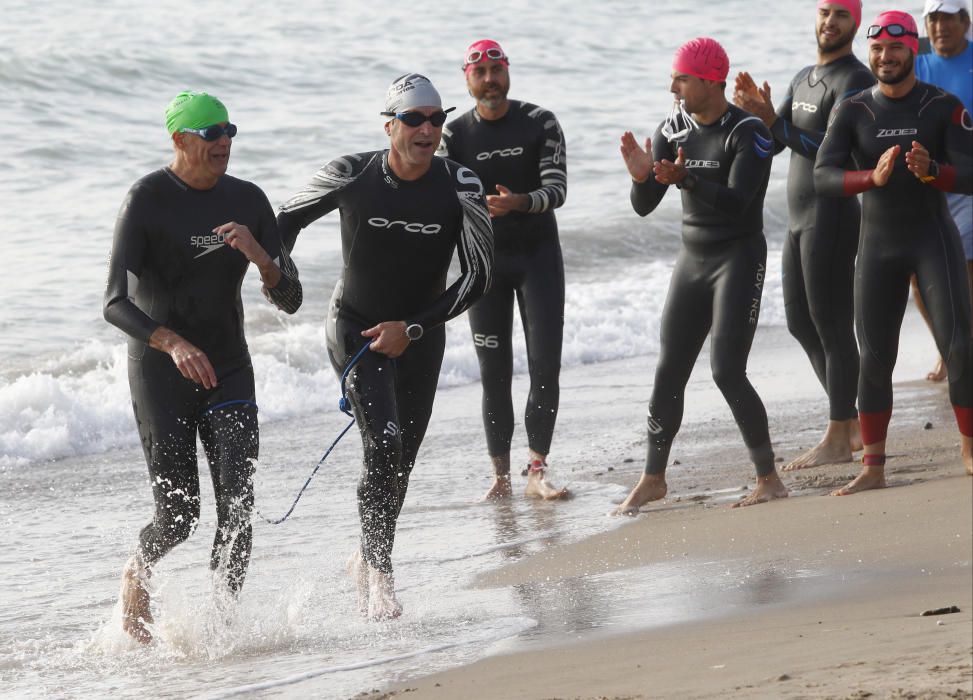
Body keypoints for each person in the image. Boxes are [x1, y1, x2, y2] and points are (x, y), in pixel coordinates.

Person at [277, 74, 494, 620]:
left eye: (437, 119)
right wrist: (281, 279)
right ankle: (379, 571)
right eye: (415, 119)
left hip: (420, 334)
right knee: (385, 444)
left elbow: (478, 276)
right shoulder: (351, 173)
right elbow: (282, 222)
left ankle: (367, 558)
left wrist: (413, 329)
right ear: (390, 125)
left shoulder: (462, 183)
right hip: (354, 329)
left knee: (402, 462)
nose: (428, 130)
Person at [104, 91, 303, 644]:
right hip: (161, 369)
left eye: (229, 131)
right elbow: (113, 302)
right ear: (180, 140)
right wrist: (171, 343)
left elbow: (290, 297)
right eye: (211, 133)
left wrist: (262, 258)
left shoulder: (248, 200)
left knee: (238, 506)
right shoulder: (146, 199)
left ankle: (222, 626)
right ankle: (135, 572)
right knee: (180, 516)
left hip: (229, 367)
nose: (224, 142)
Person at [616, 37, 789, 514]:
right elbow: (645, 206)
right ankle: (653, 478)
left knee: (726, 370)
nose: (673, 86)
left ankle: (768, 477)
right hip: (693, 259)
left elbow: (738, 202)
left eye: (682, 78)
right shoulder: (672, 128)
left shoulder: (749, 132)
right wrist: (640, 176)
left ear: (712, 81)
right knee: (669, 368)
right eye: (674, 77)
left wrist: (685, 179)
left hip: (738, 256)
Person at [814, 10, 973, 492]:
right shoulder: (853, 109)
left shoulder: (941, 107)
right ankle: (874, 467)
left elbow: (970, 172)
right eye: (878, 49)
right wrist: (871, 178)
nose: (886, 57)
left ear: (912, 49)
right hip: (878, 247)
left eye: (896, 47)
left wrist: (935, 172)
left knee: (960, 346)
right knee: (875, 356)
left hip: (932, 239)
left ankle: (969, 447)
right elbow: (824, 176)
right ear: (871, 52)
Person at [733, 0, 875, 470]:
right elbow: (774, 143)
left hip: (831, 216)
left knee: (832, 324)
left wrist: (776, 123)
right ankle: (850, 422)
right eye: (823, 12)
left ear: (854, 23)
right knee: (800, 322)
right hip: (797, 220)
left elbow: (836, 152)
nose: (830, 21)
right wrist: (750, 119)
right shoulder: (801, 78)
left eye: (840, 14)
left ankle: (839, 433)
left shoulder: (855, 80)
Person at [437, 39, 570, 501]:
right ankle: (500, 476)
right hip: (485, 267)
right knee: (493, 373)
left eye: (497, 70)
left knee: (544, 367)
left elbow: (557, 189)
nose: (490, 79)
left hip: (538, 261)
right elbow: (438, 200)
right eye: (481, 72)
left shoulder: (540, 122)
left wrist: (519, 203)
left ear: (507, 72)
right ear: (467, 79)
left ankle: (537, 469)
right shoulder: (452, 136)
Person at [913, 0, 973, 382]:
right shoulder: (914, 60)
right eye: (933, 18)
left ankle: (963, 350)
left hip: (967, 180)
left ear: (965, 21)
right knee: (919, 273)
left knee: (963, 268)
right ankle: (946, 346)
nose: (940, 26)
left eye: (948, 18)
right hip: (922, 178)